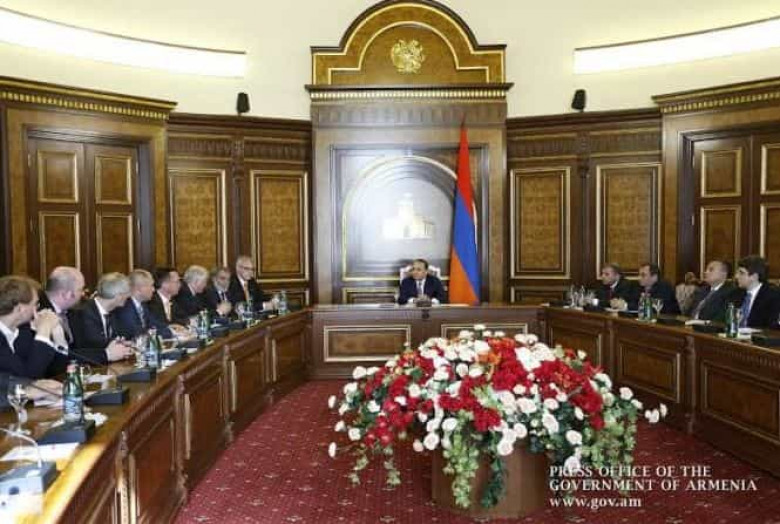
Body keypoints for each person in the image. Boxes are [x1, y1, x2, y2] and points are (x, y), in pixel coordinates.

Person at [0, 275, 63, 379]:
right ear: (20, 309)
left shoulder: (23, 331)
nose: (38, 309)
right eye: (35, 304)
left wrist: (58, 336)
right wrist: (44, 331)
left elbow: (55, 370)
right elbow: (27, 378)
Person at [69, 272, 134, 364]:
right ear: (118, 295)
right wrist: (117, 345)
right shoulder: (83, 312)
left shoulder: (115, 313)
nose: (129, 296)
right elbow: (92, 344)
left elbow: (117, 337)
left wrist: (122, 344)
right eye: (127, 293)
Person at [113, 269, 174, 339]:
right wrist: (169, 332)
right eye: (151, 286)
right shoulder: (125, 307)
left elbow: (156, 324)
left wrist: (171, 330)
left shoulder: (143, 304)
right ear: (139, 288)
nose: (153, 289)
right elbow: (139, 334)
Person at [733, 256, 780, 329]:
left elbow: (772, 326)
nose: (736, 276)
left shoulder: (773, 296)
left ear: (754, 276)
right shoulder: (735, 293)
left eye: (741, 273)